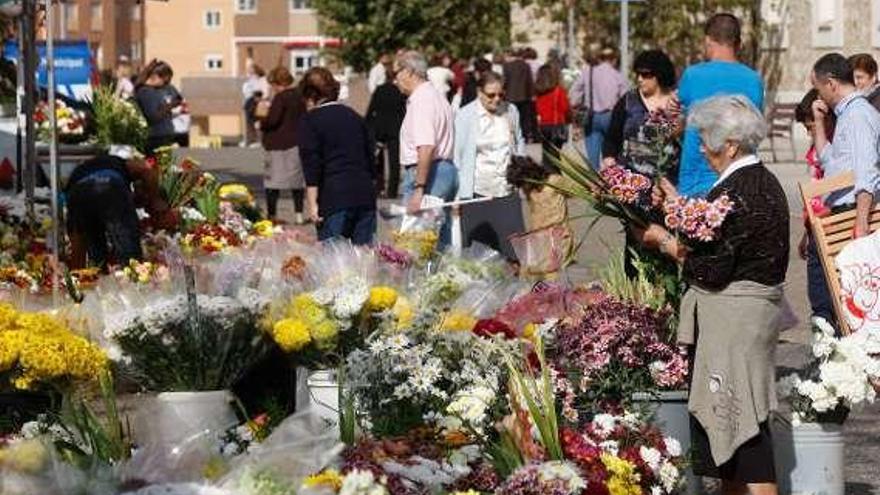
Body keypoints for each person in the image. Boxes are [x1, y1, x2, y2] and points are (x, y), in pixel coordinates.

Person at [634, 95, 788, 495]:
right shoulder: (761, 182)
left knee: (744, 434)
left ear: (730, 145)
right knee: (733, 443)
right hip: (748, 322)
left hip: (734, 325)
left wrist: (667, 242)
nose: (701, 148)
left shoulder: (735, 193)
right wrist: (681, 208)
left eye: (705, 140)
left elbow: (712, 269)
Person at [809, 53, 880, 327]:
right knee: (826, 293)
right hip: (840, 212)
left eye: (819, 88)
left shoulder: (859, 115)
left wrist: (861, 225)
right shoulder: (847, 115)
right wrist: (818, 123)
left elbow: (867, 173)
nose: (819, 94)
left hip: (850, 216)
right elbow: (829, 162)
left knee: (842, 297)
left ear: (832, 83)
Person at [675, 13, 764, 197]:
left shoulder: (692, 75)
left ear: (708, 40)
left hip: (696, 181)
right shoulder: (754, 80)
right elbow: (756, 131)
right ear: (738, 43)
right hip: (741, 180)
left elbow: (677, 126)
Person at [298, 67, 376, 245]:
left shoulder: (311, 121)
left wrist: (312, 203)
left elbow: (312, 165)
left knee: (334, 264)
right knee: (362, 261)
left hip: (334, 196)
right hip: (364, 195)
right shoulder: (355, 117)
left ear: (310, 95)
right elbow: (371, 158)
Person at [454, 71, 526, 260]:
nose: (497, 99)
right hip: (477, 193)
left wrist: (523, 175)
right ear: (479, 92)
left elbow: (519, 142)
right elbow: (457, 157)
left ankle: (514, 288)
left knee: (514, 252)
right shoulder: (465, 115)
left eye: (501, 95)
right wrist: (457, 197)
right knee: (478, 255)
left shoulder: (511, 111)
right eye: (491, 95)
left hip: (507, 190)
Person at [394, 50, 457, 247]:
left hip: (429, 173)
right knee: (437, 242)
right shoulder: (436, 96)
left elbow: (426, 146)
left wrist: (419, 188)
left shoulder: (422, 101)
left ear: (409, 72)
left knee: (418, 245)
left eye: (396, 73)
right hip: (444, 170)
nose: (394, 80)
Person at [66, 153, 171, 270]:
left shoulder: (80, 177)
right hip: (110, 184)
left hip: (78, 195)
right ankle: (135, 282)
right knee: (130, 255)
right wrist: (154, 199)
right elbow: (146, 169)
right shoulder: (117, 162)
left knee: (96, 257)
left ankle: (97, 277)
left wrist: (75, 276)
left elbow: (77, 239)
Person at [602, 49, 679, 177]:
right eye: (637, 74)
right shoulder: (628, 101)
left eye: (645, 75)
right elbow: (611, 136)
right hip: (631, 180)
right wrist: (608, 158)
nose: (639, 79)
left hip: (668, 181)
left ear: (659, 75)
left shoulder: (677, 102)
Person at [795, 89, 836, 326]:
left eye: (811, 127)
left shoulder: (833, 148)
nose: (810, 133)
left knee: (828, 292)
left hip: (829, 225)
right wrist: (805, 232)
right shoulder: (815, 150)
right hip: (814, 227)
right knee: (817, 290)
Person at [260, 66, 307, 224]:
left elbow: (273, 120)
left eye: (272, 84)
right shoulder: (300, 97)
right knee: (296, 181)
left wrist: (261, 123)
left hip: (277, 143)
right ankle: (299, 215)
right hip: (297, 143)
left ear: (277, 83)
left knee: (273, 182)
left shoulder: (280, 98)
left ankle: (272, 215)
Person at [569, 47, 628, 169]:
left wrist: (577, 103)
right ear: (614, 60)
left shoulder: (588, 72)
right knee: (612, 155)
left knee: (592, 159)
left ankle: (594, 183)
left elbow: (574, 91)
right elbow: (625, 98)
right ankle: (612, 181)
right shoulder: (618, 75)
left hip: (591, 117)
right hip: (611, 116)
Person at [365, 66, 407, 198]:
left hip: (379, 129)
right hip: (395, 129)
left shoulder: (379, 89)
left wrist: (368, 126)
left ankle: (379, 188)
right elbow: (404, 111)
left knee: (378, 161)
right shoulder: (400, 91)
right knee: (394, 162)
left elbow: (372, 109)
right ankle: (392, 191)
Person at [134, 59, 184, 155]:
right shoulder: (145, 92)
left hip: (165, 135)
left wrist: (173, 104)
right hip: (154, 138)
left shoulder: (161, 89)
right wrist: (170, 106)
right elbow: (154, 116)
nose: (167, 84)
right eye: (165, 81)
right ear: (155, 77)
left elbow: (178, 98)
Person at [534, 63, 570, 167]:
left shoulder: (539, 92)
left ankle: (546, 173)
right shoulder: (559, 91)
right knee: (556, 154)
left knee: (546, 153)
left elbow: (537, 109)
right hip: (557, 125)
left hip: (543, 125)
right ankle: (555, 175)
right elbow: (565, 108)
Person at [503, 49, 537, 143]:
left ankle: (512, 135)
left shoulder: (507, 66)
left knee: (511, 117)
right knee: (524, 118)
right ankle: (524, 136)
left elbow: (505, 81)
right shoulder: (525, 66)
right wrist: (532, 94)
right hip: (524, 96)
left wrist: (503, 92)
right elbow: (529, 81)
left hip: (510, 96)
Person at [242, 64, 269, 146]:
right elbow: (246, 91)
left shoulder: (262, 80)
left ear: (256, 70)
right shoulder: (250, 80)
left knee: (258, 122)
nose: (248, 71)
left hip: (259, 102)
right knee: (249, 122)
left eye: (250, 69)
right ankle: (249, 140)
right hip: (250, 102)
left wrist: (259, 99)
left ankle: (259, 141)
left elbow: (264, 92)